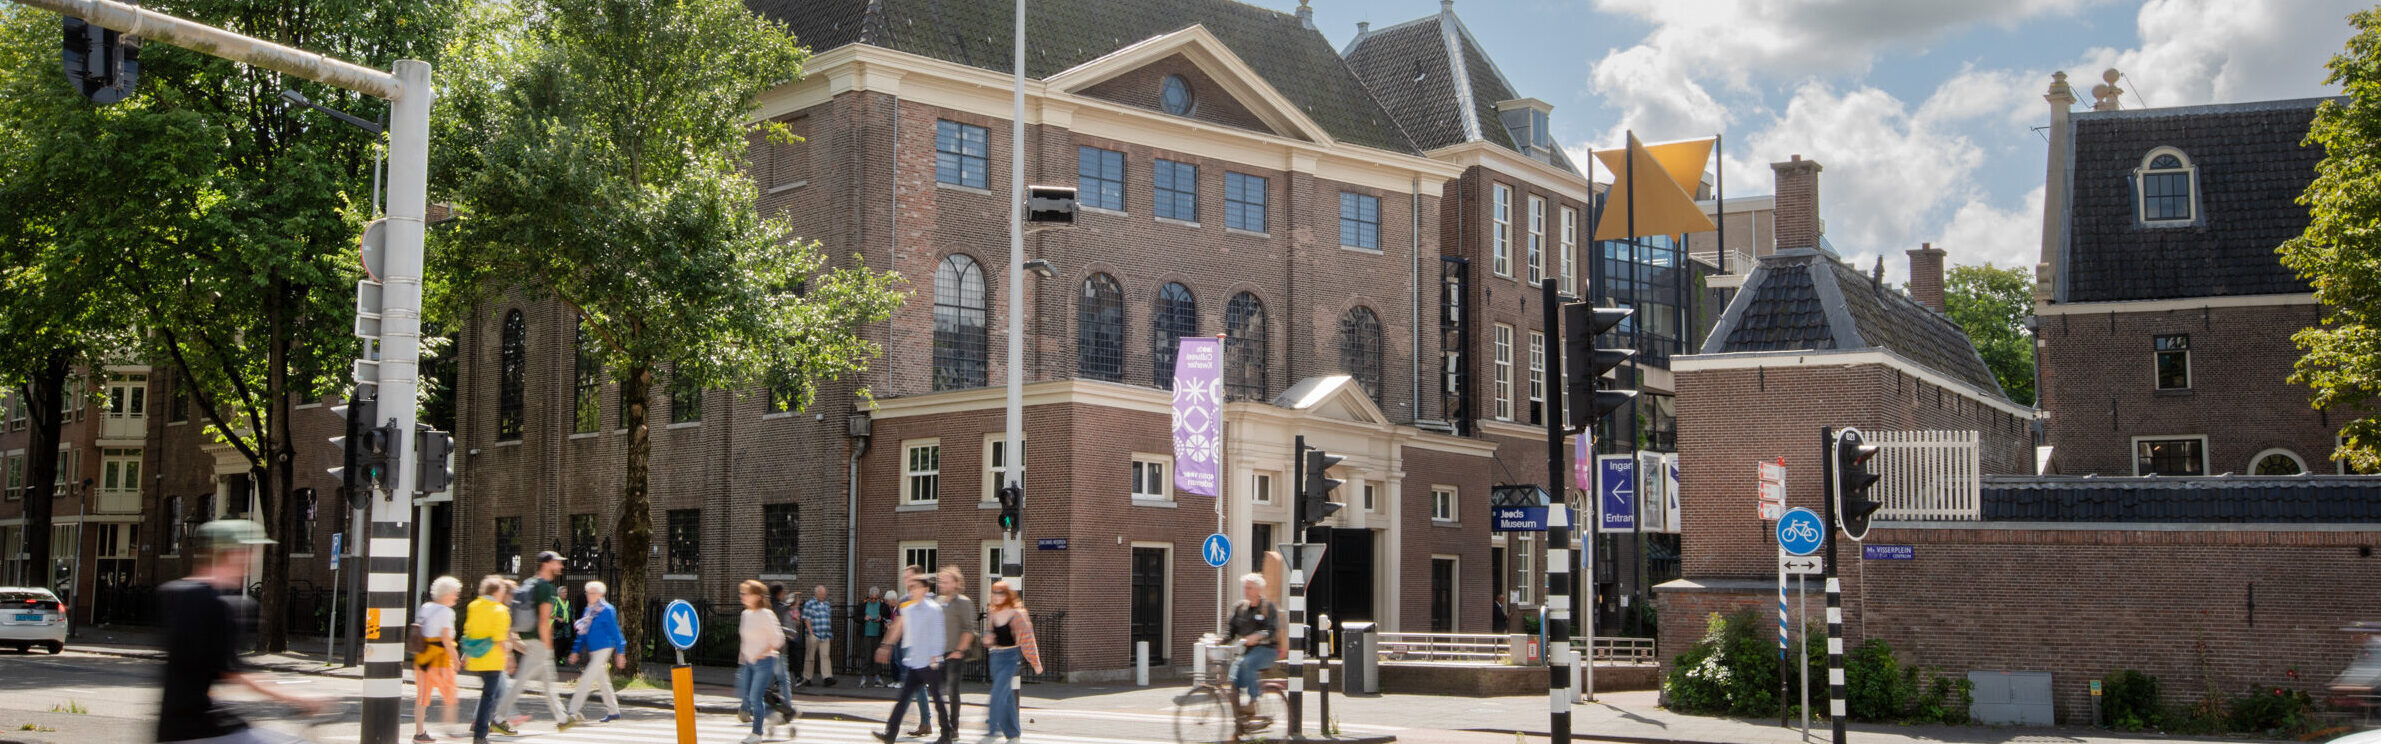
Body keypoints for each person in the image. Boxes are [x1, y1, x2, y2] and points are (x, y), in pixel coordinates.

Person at [156, 519, 326, 744]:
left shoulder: (175, 593)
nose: (250, 561)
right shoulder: (215, 604)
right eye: (248, 552)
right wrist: (297, 698)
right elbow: (234, 674)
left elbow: (195, 669)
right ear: (232, 554)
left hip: (173, 728)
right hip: (201, 731)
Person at [873, 574, 950, 744]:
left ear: (925, 589)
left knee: (938, 700)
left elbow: (939, 634)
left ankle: (946, 734)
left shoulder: (933, 609)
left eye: (916, 587)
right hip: (915, 663)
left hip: (930, 663)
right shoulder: (910, 609)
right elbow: (900, 629)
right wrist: (886, 646)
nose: (912, 590)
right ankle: (890, 734)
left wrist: (935, 656)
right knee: (903, 700)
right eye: (911, 587)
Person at [498, 552, 569, 731]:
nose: (560, 566)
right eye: (557, 562)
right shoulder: (545, 588)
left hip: (530, 638)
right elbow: (544, 620)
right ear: (546, 564)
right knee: (521, 681)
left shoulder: (530, 582)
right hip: (539, 642)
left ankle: (562, 718)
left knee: (548, 682)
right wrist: (548, 647)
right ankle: (499, 718)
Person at [979, 580, 1043, 744]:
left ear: (1007, 595)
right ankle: (1013, 735)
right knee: (1006, 697)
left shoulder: (1017, 614)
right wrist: (987, 638)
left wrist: (1035, 662)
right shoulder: (992, 612)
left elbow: (1028, 638)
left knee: (998, 692)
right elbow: (989, 633)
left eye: (1000, 593)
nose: (996, 596)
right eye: (994, 593)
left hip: (1010, 657)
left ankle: (991, 731)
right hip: (995, 657)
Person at [1226, 573, 1285, 726]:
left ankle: (1252, 702)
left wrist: (1258, 636)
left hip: (1267, 650)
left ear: (1258, 590)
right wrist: (1219, 640)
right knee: (1233, 677)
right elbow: (1231, 632)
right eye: (1245, 587)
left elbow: (1272, 630)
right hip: (1248, 652)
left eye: (1250, 588)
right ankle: (1240, 722)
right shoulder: (1240, 608)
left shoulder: (1267, 607)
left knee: (1248, 662)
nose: (1246, 591)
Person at [463, 575, 516, 744]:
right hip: (493, 660)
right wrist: (508, 658)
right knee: (489, 697)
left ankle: (493, 722)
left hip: (476, 659)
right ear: (496, 591)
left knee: (491, 694)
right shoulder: (500, 610)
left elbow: (469, 631)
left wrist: (466, 654)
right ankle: (480, 734)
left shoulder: (473, 606)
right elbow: (500, 639)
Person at [565, 580, 625, 726]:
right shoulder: (588, 610)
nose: (589, 595)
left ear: (600, 594)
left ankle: (572, 711)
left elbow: (615, 632)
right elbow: (582, 633)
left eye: (592, 593)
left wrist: (620, 652)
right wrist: (575, 651)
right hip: (593, 650)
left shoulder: (607, 609)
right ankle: (613, 711)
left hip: (604, 648)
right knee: (603, 682)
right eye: (588, 592)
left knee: (586, 679)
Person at [414, 576, 465, 743]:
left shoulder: (425, 607)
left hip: (423, 659)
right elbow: (446, 638)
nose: (457, 596)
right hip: (440, 661)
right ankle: (450, 730)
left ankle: (419, 733)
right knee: (450, 694)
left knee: (422, 697)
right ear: (447, 593)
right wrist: (456, 659)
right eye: (455, 593)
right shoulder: (446, 612)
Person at [736, 579, 785, 744]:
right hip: (748, 662)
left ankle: (757, 733)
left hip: (764, 661)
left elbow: (779, 639)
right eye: (742, 593)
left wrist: (763, 653)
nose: (742, 596)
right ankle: (774, 714)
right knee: (749, 697)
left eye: (746, 593)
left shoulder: (766, 614)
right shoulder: (745, 615)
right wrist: (743, 656)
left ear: (757, 596)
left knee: (756, 697)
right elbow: (745, 639)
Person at [935, 566, 980, 737]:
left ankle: (953, 729)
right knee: (936, 690)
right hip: (939, 653)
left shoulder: (963, 602)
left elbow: (969, 629)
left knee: (952, 691)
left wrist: (959, 651)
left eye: (945, 582)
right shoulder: (939, 601)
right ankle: (945, 727)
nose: (941, 584)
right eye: (940, 581)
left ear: (955, 583)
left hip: (955, 654)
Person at [802, 584, 837, 687]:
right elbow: (806, 619)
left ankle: (827, 677)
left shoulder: (827, 604)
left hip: (825, 635)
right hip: (814, 634)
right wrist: (811, 633)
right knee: (810, 657)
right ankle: (807, 678)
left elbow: (828, 619)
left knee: (825, 656)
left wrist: (829, 633)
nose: (823, 595)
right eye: (821, 593)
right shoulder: (810, 604)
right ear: (816, 593)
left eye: (824, 594)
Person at [858, 587, 888, 687]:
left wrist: (881, 618)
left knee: (877, 656)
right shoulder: (863, 605)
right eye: (872, 598)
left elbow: (888, 616)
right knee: (866, 656)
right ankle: (864, 677)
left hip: (878, 634)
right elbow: (856, 617)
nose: (873, 600)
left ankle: (877, 677)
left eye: (876, 598)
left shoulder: (883, 606)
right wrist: (864, 618)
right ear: (869, 596)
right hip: (866, 634)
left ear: (878, 597)